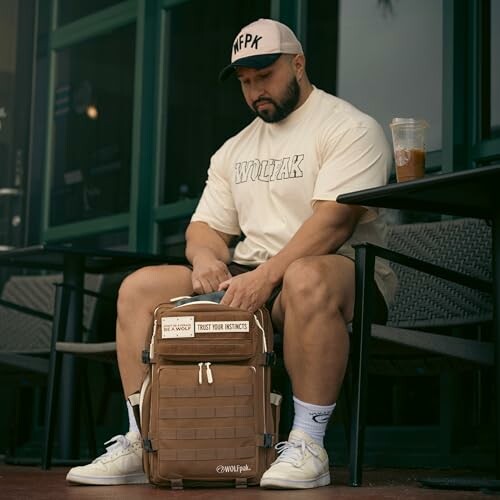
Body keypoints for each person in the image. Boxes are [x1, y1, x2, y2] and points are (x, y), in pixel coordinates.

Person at [66, 18, 396, 489]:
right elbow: (204, 227)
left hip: (343, 273)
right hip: (250, 276)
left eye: (264, 76)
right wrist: (205, 260)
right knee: (141, 287)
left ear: (298, 64)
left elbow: (333, 224)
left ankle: (307, 444)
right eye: (245, 81)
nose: (254, 90)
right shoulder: (234, 150)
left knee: (305, 277)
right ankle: (145, 439)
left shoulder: (350, 127)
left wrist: (266, 278)